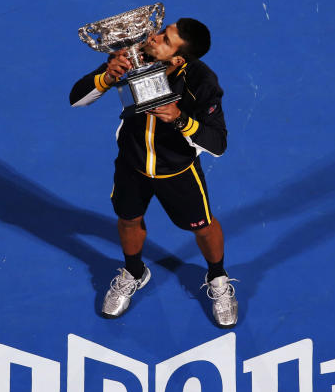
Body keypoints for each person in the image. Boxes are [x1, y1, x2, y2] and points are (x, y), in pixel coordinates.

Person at [69, 17, 238, 327]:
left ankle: (218, 277)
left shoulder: (202, 82)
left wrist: (180, 118)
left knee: (203, 227)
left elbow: (218, 143)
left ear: (177, 58)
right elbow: (76, 100)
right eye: (162, 31)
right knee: (128, 219)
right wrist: (107, 77)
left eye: (164, 39)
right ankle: (134, 272)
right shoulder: (132, 57)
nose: (153, 37)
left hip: (177, 172)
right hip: (132, 164)